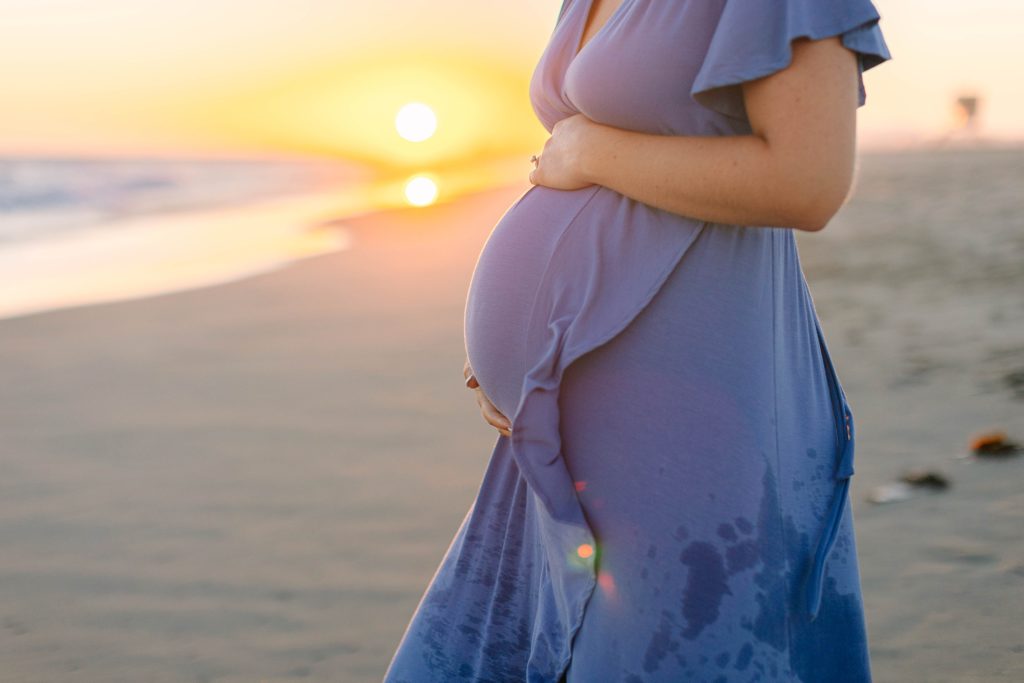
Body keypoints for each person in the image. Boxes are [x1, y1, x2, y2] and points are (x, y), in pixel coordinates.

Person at [385, 0, 891, 680]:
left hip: (692, 417)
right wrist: (517, 346)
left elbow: (809, 182)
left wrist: (594, 149)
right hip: (554, 433)